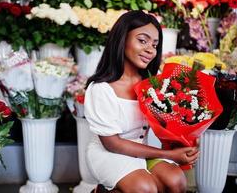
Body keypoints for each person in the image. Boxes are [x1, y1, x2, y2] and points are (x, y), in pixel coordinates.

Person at [84, 10, 199, 193]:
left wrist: (188, 135)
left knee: (176, 180)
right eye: (142, 40)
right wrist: (169, 155)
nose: (150, 50)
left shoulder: (152, 84)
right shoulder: (101, 88)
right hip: (108, 154)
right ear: (122, 39)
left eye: (155, 44)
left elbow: (168, 124)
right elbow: (112, 144)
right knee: (145, 188)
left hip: (142, 151)